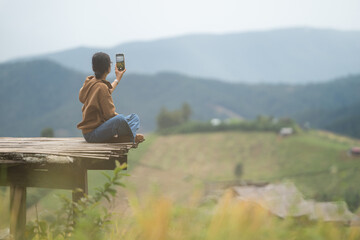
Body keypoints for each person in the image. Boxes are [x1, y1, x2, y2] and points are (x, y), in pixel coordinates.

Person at [76, 52, 144, 143]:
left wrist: (117, 79)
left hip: (91, 132)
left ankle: (129, 136)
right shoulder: (101, 87)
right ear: (108, 68)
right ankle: (130, 138)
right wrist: (122, 120)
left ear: (93, 67)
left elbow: (106, 92)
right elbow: (110, 115)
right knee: (120, 119)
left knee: (133, 117)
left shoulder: (90, 81)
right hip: (93, 135)